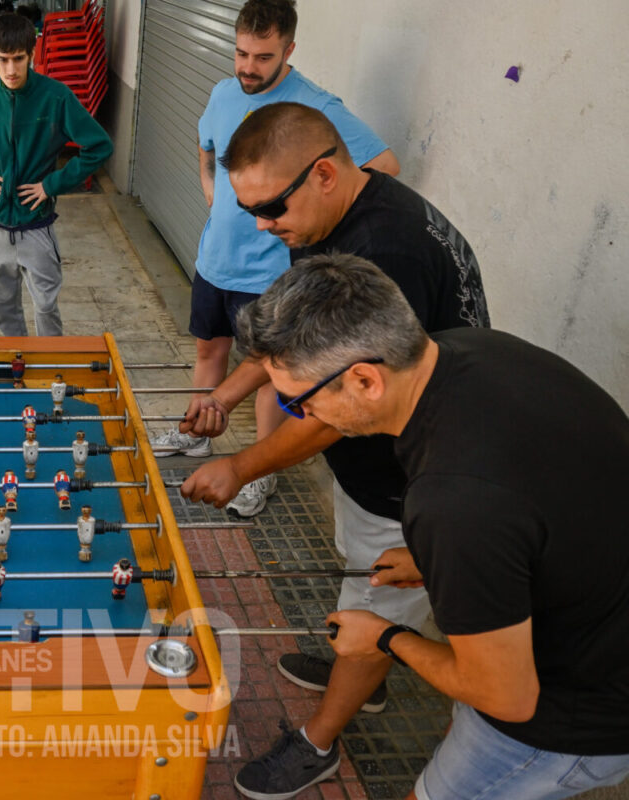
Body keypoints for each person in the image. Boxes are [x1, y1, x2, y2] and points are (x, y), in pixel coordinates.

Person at [234, 253, 629, 800]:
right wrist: (434, 563)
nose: (301, 417)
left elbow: (508, 698)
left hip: (573, 714)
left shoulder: (452, 502)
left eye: (297, 401)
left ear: (365, 379)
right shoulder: (479, 350)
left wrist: (386, 638)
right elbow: (544, 509)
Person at [180, 102, 488, 799]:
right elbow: (298, 334)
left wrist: (241, 465)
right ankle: (364, 672)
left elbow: (335, 409)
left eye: (268, 208)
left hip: (415, 472)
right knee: (364, 585)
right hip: (375, 464)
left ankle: (319, 740)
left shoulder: (389, 252)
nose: (262, 225)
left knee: (381, 604)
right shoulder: (323, 215)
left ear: (323, 172)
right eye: (249, 209)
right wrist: (226, 397)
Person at [148, 0, 397, 520]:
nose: (247, 68)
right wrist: (212, 196)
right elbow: (205, 146)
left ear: (289, 50)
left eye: (263, 57)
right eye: (241, 53)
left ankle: (258, 473)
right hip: (215, 260)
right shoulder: (221, 92)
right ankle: (195, 433)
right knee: (208, 354)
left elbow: (384, 165)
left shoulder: (313, 106)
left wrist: (318, 238)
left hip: (271, 277)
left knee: (273, 377)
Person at [0, 12, 112, 337]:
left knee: (46, 308)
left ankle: (51, 370)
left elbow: (99, 146)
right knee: (4, 310)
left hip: (37, 225)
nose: (11, 70)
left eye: (19, 59)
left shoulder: (56, 96)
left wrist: (52, 184)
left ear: (32, 53)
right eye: (3, 60)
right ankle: (17, 370)